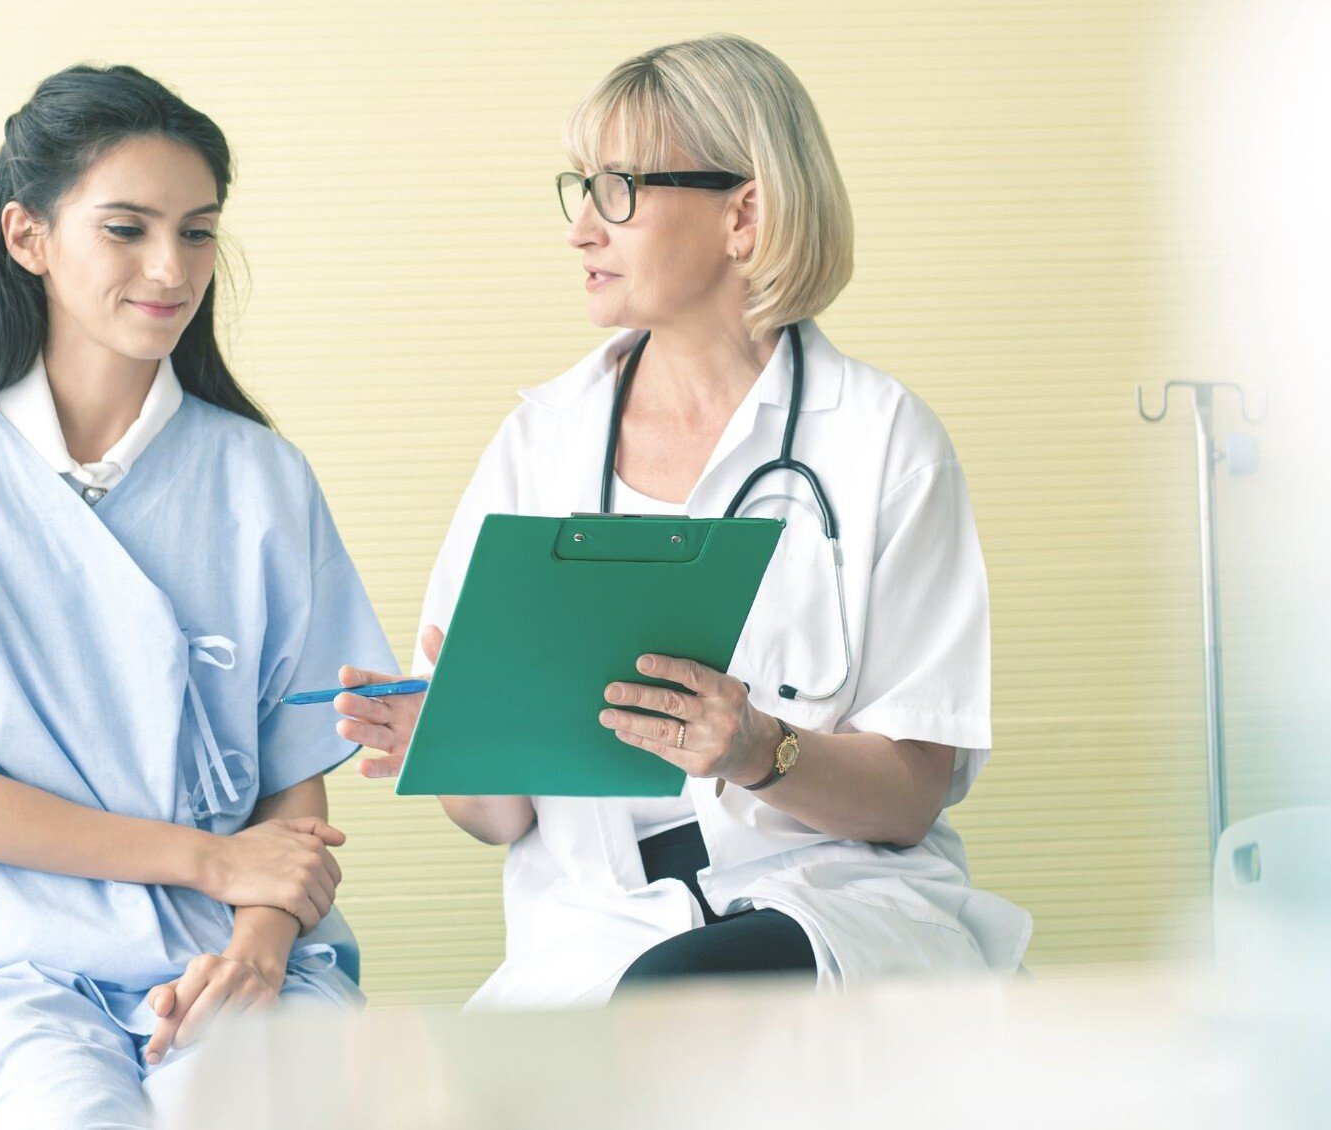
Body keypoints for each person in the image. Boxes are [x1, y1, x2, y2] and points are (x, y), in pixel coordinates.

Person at [335, 35, 1030, 1009]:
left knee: (676, 1010)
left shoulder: (881, 441)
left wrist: (760, 748)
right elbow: (496, 817)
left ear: (742, 213)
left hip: (826, 911)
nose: (582, 228)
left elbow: (910, 794)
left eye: (616, 189)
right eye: (577, 189)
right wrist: (454, 740)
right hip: (593, 929)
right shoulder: (539, 444)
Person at [0, 63, 393, 1128]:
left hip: (231, 955)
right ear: (28, 238)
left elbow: (294, 789)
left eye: (198, 231)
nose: (171, 267)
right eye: (127, 228)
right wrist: (210, 859)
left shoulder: (262, 478)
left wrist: (256, 949)